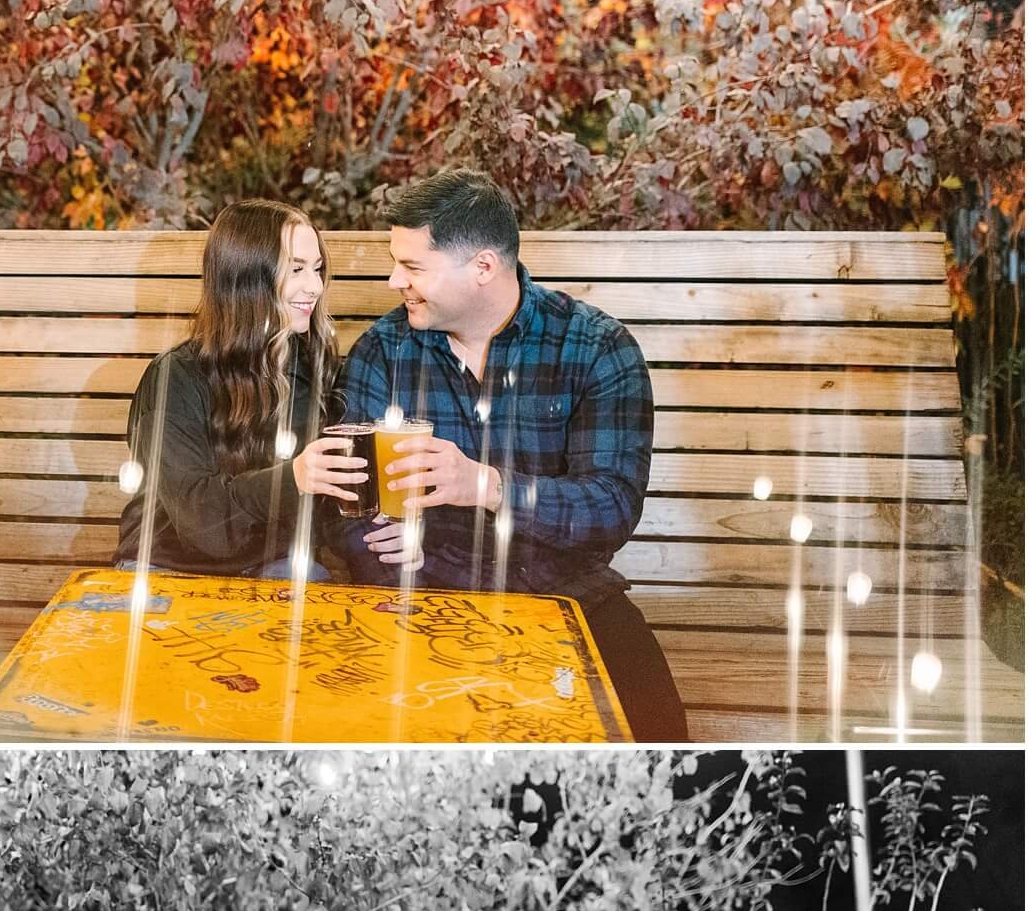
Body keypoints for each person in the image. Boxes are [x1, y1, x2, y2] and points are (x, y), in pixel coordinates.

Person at [334, 167, 688, 741]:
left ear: (482, 267)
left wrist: (485, 486)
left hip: (567, 594)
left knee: (658, 734)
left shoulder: (596, 347)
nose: (394, 279)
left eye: (413, 266)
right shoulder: (384, 351)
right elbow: (350, 504)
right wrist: (393, 553)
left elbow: (612, 509)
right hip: (423, 595)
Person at [113, 200, 406, 581]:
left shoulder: (313, 367)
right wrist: (295, 477)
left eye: (317, 269)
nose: (314, 286)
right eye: (296, 269)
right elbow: (203, 525)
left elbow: (330, 499)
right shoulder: (177, 377)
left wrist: (380, 520)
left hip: (272, 567)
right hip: (169, 566)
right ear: (247, 278)